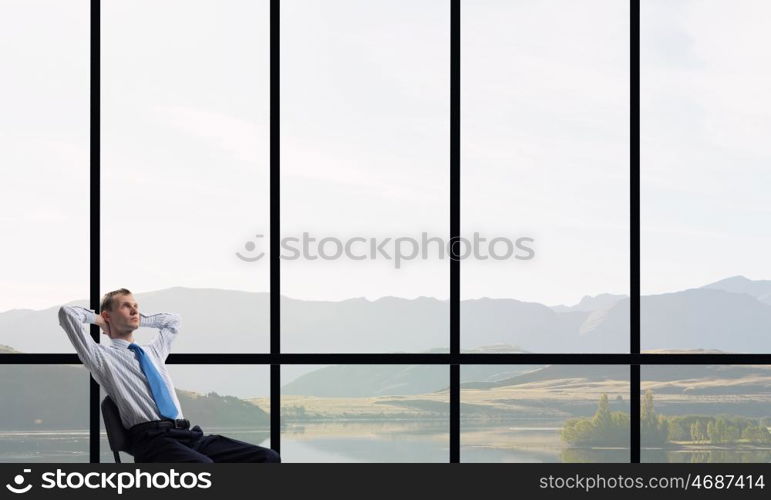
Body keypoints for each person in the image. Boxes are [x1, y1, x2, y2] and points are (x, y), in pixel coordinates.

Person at [58, 288, 280, 463]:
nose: (135, 310)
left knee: (268, 458)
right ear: (108, 315)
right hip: (152, 441)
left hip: (187, 435)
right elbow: (67, 314)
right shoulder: (101, 357)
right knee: (202, 469)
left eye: (136, 306)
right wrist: (102, 321)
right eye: (126, 307)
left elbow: (173, 321)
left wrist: (136, 319)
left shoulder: (153, 352)